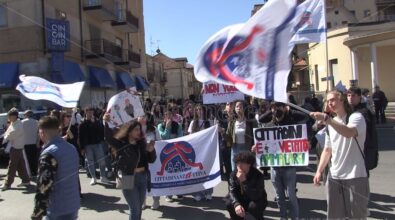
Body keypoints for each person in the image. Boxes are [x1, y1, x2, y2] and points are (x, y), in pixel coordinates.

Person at [311, 90, 369, 219]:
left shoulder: (356, 117)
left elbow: (348, 133)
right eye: (327, 100)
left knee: (356, 216)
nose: (329, 103)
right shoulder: (331, 122)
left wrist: (327, 119)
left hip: (355, 175)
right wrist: (319, 171)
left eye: (332, 100)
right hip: (334, 176)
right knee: (335, 217)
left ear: (342, 100)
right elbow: (327, 149)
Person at [258, 102, 308, 219]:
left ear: (284, 108)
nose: (276, 110)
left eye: (278, 107)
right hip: (275, 166)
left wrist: (289, 110)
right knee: (279, 196)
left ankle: (295, 217)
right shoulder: (269, 125)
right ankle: (283, 217)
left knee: (291, 195)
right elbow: (261, 119)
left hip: (289, 166)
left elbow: (305, 116)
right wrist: (272, 110)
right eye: (274, 108)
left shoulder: (290, 121)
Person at [103, 115, 156, 220]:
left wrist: (151, 151)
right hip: (127, 177)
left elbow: (151, 160)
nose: (138, 131)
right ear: (129, 131)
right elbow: (108, 138)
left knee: (139, 208)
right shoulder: (121, 144)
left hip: (142, 177)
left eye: (139, 129)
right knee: (135, 209)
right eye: (136, 129)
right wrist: (105, 121)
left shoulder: (142, 143)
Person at [31, 116, 80, 220]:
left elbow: (44, 184)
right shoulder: (72, 148)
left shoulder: (49, 153)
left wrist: (37, 212)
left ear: (42, 132)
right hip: (73, 204)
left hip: (56, 208)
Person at [226, 151, 267, 220]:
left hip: (256, 199)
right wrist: (236, 204)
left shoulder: (258, 175)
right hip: (241, 198)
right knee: (229, 203)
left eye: (242, 163)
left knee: (253, 207)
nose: (239, 165)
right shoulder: (233, 174)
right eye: (237, 162)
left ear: (249, 164)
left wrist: (244, 182)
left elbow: (256, 196)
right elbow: (232, 191)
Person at [188, 104, 213, 201]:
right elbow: (190, 137)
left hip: (207, 151)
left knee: (207, 171)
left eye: (200, 109)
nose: (199, 111)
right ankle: (198, 193)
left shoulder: (209, 122)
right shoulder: (193, 123)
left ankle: (208, 192)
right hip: (197, 151)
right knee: (197, 172)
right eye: (197, 109)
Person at [1, 108, 30, 191]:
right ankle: (26, 180)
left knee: (12, 166)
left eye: (9, 116)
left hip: (16, 147)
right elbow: (7, 132)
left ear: (14, 116)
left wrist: (5, 137)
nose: (8, 118)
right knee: (20, 165)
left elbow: (11, 135)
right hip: (16, 146)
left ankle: (7, 183)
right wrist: (5, 136)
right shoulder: (14, 123)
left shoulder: (18, 124)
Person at [157, 110, 183, 202]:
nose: (168, 118)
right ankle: (168, 194)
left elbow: (181, 137)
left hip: (176, 152)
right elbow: (163, 138)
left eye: (170, 116)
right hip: (165, 152)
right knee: (168, 173)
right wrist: (167, 128)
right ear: (164, 117)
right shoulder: (160, 126)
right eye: (166, 116)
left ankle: (178, 191)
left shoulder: (177, 126)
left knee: (178, 172)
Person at [79, 107, 110, 185]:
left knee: (102, 160)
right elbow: (80, 136)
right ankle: (94, 177)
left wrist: (95, 123)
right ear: (86, 113)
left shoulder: (96, 121)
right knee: (90, 162)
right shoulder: (82, 122)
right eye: (89, 112)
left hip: (97, 143)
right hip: (88, 145)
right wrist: (82, 148)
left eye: (91, 112)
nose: (90, 114)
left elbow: (100, 131)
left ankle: (103, 177)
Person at [138, 113, 162, 210]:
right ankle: (143, 201)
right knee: (142, 181)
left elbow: (160, 141)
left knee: (154, 180)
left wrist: (151, 145)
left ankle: (156, 201)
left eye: (144, 116)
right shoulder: (134, 129)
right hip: (140, 159)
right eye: (141, 116)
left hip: (152, 158)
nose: (143, 118)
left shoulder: (153, 129)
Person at [225, 101, 257, 171]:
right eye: (237, 106)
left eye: (240, 106)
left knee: (248, 172)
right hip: (235, 150)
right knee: (236, 172)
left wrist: (255, 145)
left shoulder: (251, 121)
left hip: (247, 150)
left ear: (244, 108)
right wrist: (221, 131)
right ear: (235, 109)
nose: (238, 108)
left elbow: (257, 135)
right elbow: (228, 137)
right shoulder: (232, 122)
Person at [22, 110, 39, 177]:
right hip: (34, 143)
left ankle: (29, 172)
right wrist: (38, 142)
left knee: (27, 159)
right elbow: (38, 134)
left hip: (25, 143)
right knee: (34, 158)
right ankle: (35, 172)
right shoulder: (36, 122)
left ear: (26, 115)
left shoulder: (22, 122)